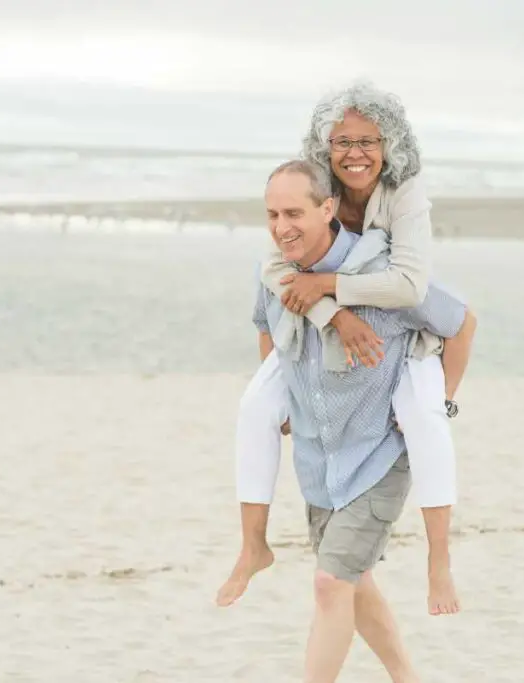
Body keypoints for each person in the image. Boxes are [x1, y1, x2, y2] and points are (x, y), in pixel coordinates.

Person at [217, 81, 477, 615]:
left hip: (402, 320)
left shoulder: (405, 194)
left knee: (425, 421)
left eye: (368, 141)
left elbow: (408, 287)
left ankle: (440, 561)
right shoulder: (314, 189)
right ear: (324, 147)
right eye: (342, 142)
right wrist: (328, 312)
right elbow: (275, 269)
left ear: (390, 144)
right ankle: (252, 545)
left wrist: (332, 288)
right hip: (314, 326)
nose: (354, 153)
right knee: (253, 408)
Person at [251, 159, 472, 682]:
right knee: (353, 579)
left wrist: (443, 403)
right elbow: (267, 323)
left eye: (294, 213)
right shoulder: (276, 270)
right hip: (318, 456)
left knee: (330, 583)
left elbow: (462, 324)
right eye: (272, 214)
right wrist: (279, 396)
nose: (282, 226)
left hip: (379, 454)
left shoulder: (382, 273)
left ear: (327, 209)